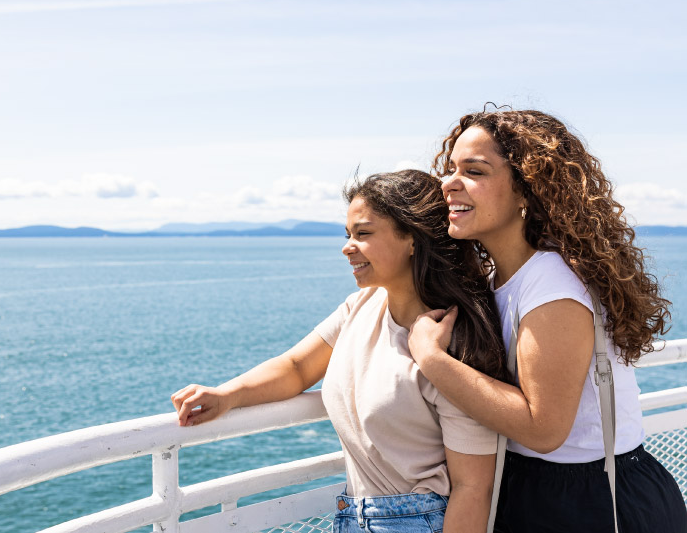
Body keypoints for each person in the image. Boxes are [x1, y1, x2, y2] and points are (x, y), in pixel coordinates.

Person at [171, 169, 510, 533]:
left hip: (419, 521)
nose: (347, 246)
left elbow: (474, 488)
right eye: (348, 234)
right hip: (353, 515)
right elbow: (298, 367)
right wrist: (227, 395)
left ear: (412, 239)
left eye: (363, 234)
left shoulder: (454, 342)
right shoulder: (361, 306)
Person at [408, 109, 687, 533]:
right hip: (542, 488)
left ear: (526, 190)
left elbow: (543, 429)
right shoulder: (501, 277)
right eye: (451, 170)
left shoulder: (551, 285)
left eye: (474, 170)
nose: (448, 183)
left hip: (589, 499)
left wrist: (430, 358)